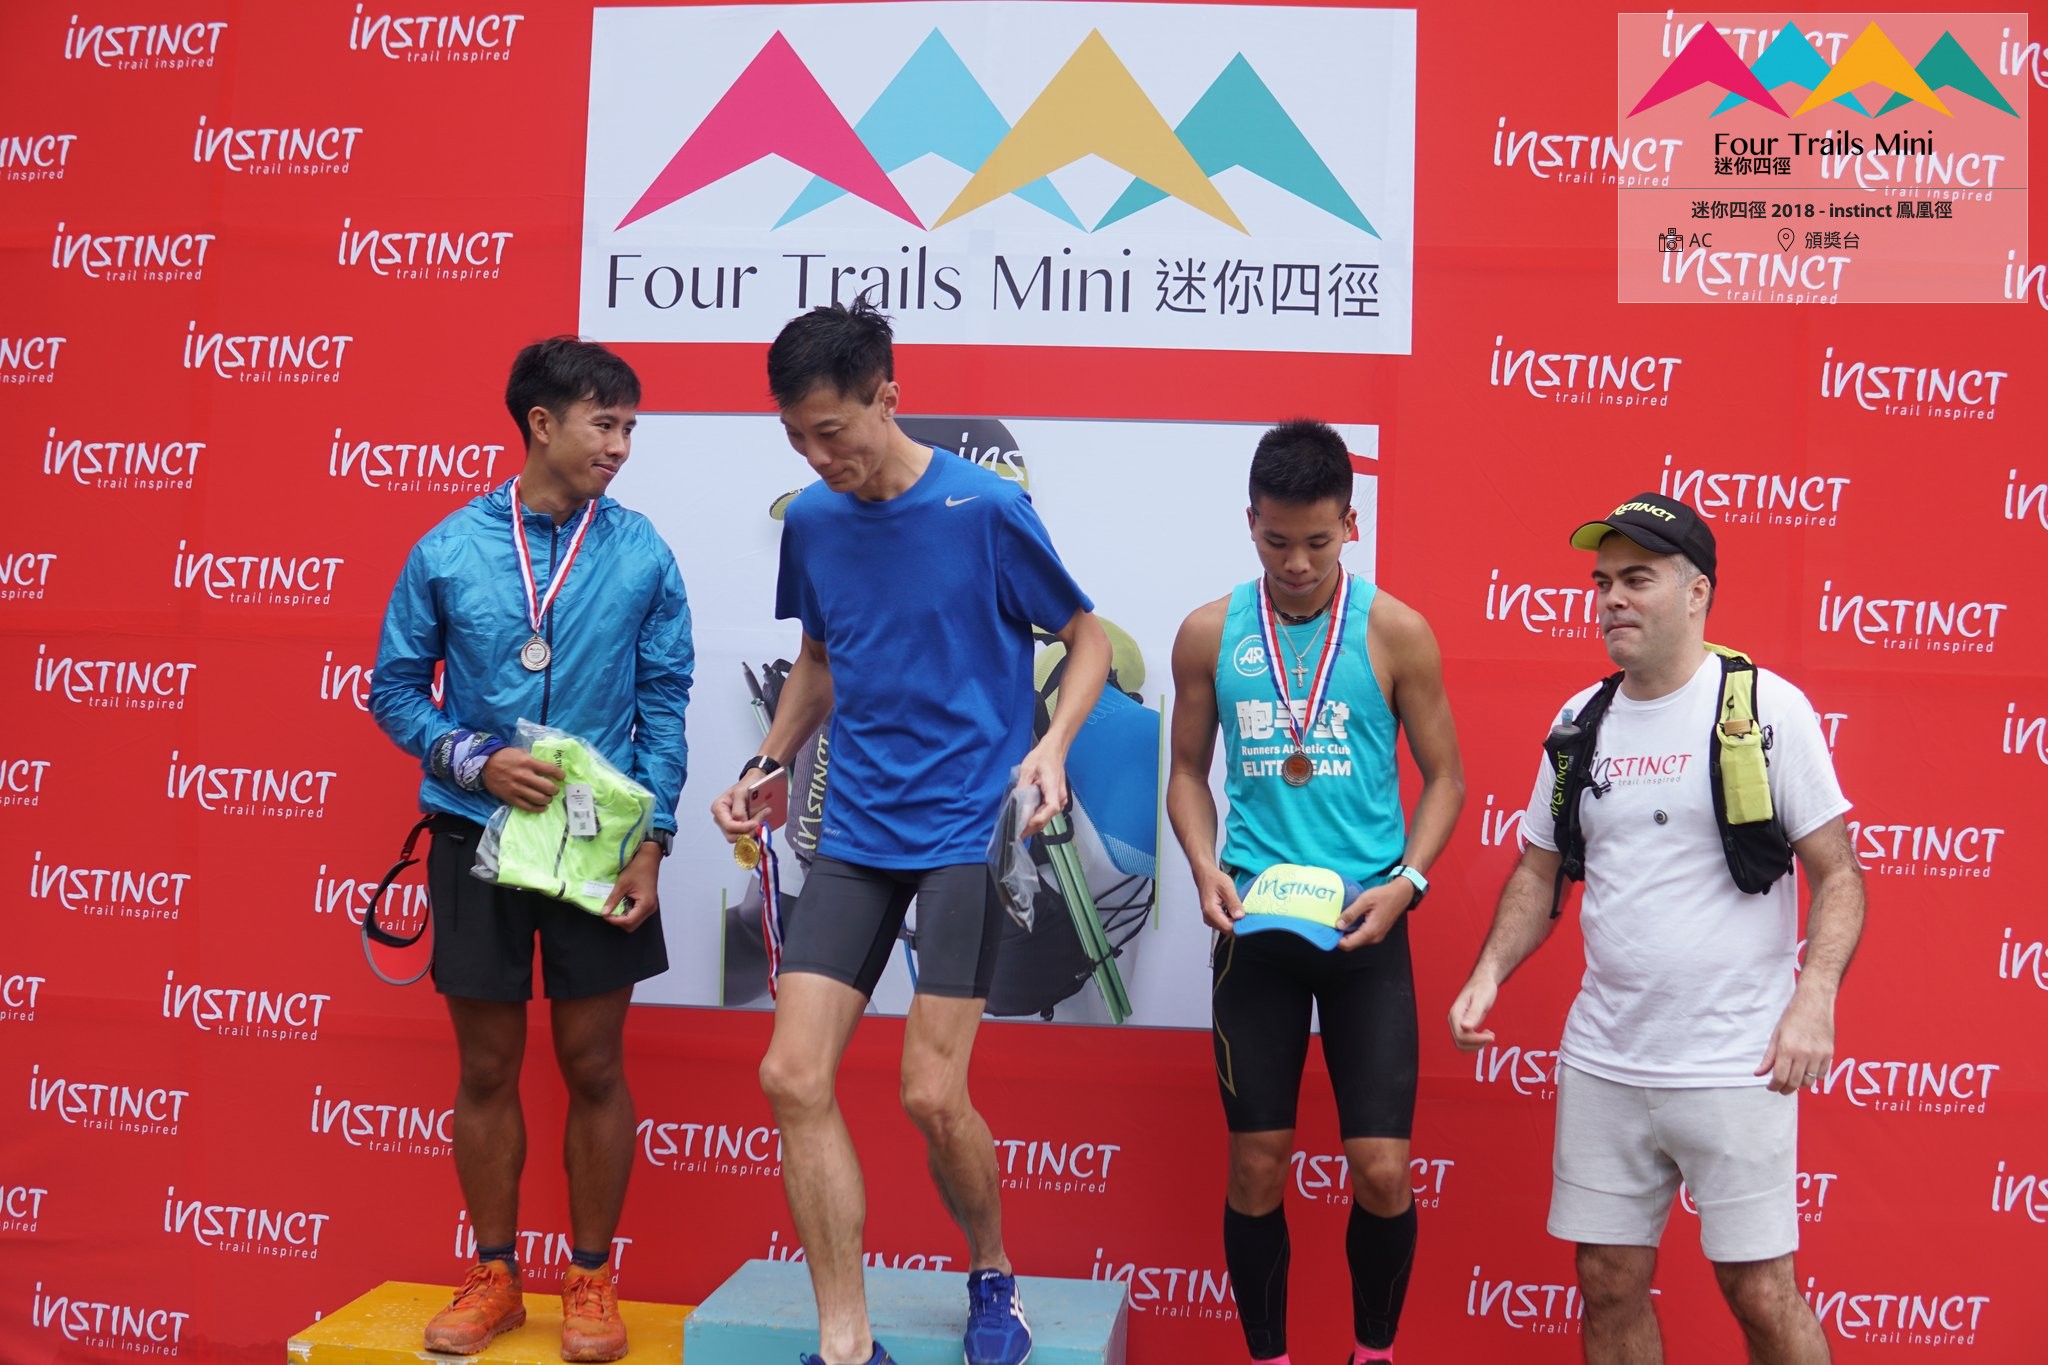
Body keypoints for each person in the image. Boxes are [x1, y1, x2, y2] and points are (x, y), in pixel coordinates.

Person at [710, 301, 1110, 1365]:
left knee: (930, 1093)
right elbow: (820, 659)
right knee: (791, 1077)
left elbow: (1086, 638)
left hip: (966, 833)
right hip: (855, 830)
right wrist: (767, 764)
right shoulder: (813, 521)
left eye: (831, 431)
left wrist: (1052, 745)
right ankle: (848, 1343)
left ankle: (992, 1272)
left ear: (887, 396)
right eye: (796, 436)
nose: (815, 456)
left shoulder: (986, 508)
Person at [1448, 493, 1865, 1365]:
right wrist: (1489, 971)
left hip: (1737, 1059)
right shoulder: (1579, 722)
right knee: (1606, 1280)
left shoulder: (1768, 709)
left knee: (1761, 1291)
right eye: (1602, 581)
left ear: (1696, 590)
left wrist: (1815, 995)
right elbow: (1537, 870)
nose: (1611, 599)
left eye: (1636, 579)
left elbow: (1840, 874)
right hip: (1606, 1058)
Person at [370, 338, 693, 1362]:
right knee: (486, 1065)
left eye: (631, 426)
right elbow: (392, 690)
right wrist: (472, 759)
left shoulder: (642, 552)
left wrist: (655, 839)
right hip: (476, 835)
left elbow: (664, 703)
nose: (622, 445)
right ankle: (494, 1276)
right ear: (542, 424)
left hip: (600, 847)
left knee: (594, 1061)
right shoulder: (447, 549)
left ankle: (589, 1281)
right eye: (605, 423)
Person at [1166, 420, 1464, 1365]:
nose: (1296, 563)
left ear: (1352, 524)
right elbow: (1186, 773)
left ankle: (1373, 1354)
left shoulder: (1396, 630)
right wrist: (1203, 863)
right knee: (1257, 1164)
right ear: (1250, 522)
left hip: (1365, 928)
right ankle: (1269, 1358)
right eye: (1276, 540)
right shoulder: (1208, 632)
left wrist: (1408, 883)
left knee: (1381, 1170)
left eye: (1318, 541)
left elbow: (1447, 779)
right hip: (1255, 929)